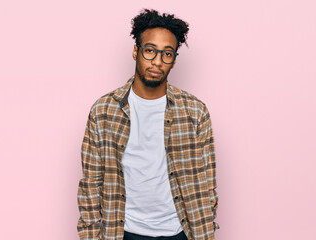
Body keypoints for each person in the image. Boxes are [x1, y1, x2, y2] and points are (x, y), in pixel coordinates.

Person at [77, 8, 219, 240]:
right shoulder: (104, 110)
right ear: (136, 51)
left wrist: (206, 226)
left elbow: (208, 181)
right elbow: (91, 184)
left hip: (182, 232)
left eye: (167, 54)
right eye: (150, 51)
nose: (157, 62)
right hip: (123, 232)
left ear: (174, 59)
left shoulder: (195, 111)